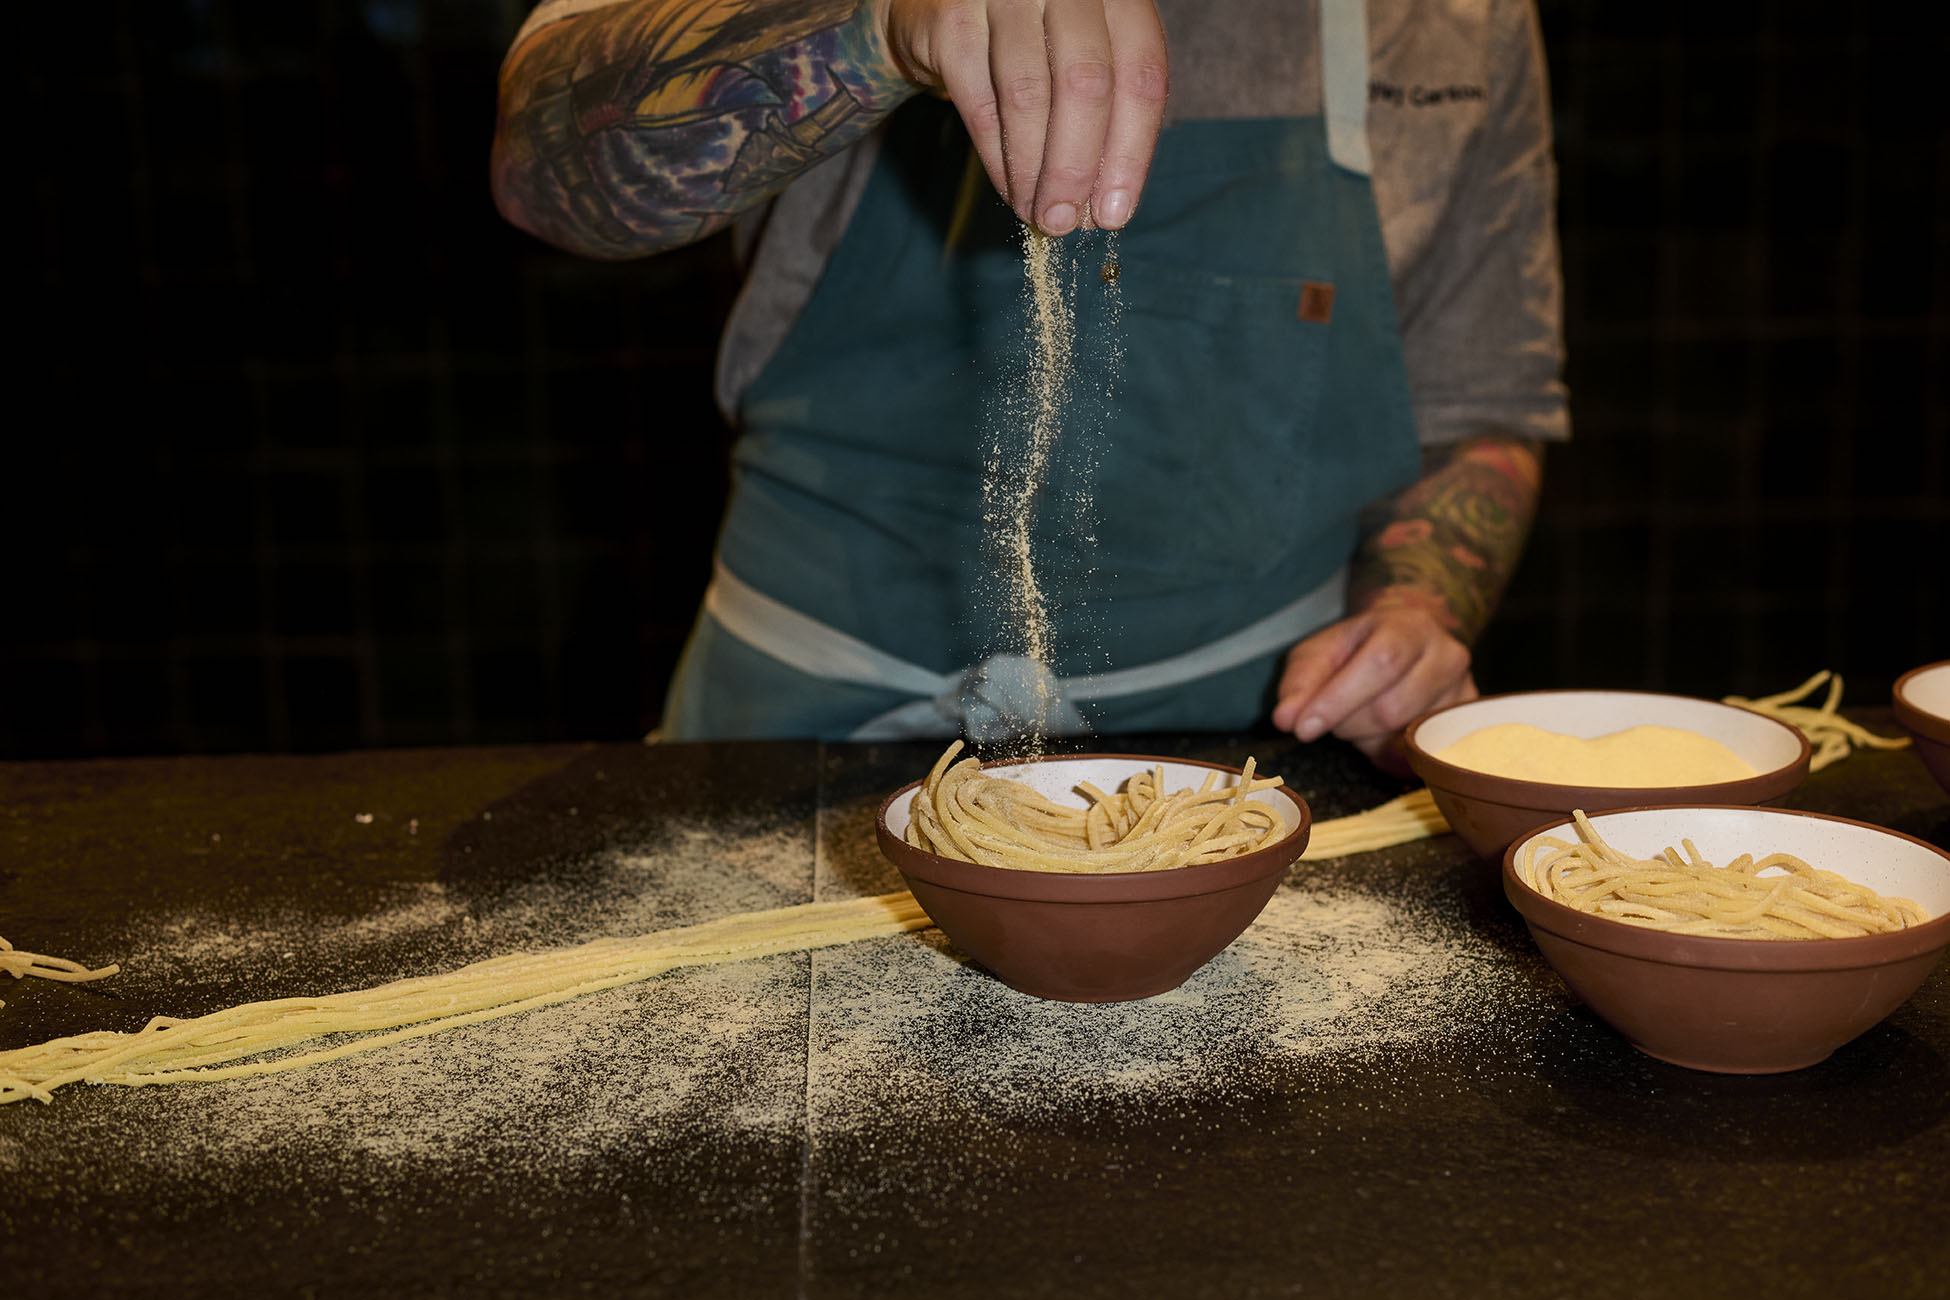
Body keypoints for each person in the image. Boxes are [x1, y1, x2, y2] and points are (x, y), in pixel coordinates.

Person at [491, 0, 1566, 770]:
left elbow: (1479, 408)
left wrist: (1416, 610)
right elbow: (542, 169)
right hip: (806, 718)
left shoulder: (1455, 24)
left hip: (1250, 738)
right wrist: (883, 28)